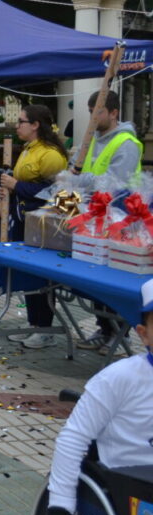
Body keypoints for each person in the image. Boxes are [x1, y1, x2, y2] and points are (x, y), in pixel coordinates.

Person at [44, 282, 153, 515]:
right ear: (143, 333)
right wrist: (61, 512)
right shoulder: (118, 379)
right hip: (128, 492)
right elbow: (72, 439)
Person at [71, 90, 143, 354]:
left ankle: (119, 333)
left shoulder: (126, 143)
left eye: (98, 111)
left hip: (120, 219)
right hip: (92, 218)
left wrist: (80, 179)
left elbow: (113, 183)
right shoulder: (90, 140)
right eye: (91, 111)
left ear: (114, 113)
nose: (93, 117)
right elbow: (74, 172)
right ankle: (104, 328)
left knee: (113, 280)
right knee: (92, 279)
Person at [0, 104, 69, 349]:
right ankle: (34, 324)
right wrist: (10, 188)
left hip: (44, 224)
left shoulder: (50, 155)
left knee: (41, 276)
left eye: (21, 121)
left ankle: (45, 328)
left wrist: (16, 185)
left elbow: (59, 195)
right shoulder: (29, 149)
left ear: (35, 124)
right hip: (24, 220)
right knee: (27, 273)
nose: (17, 126)